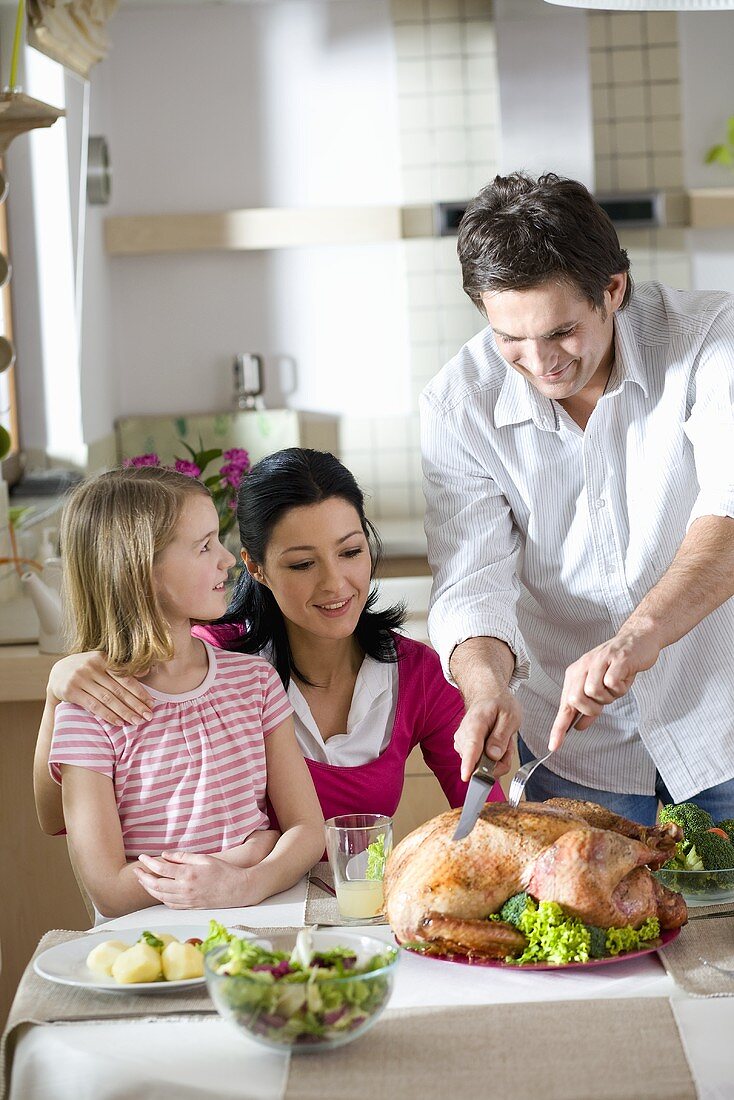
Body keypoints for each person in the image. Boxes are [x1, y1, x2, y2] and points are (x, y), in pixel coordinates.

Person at [421, 170, 734, 826]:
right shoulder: (459, 406)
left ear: (612, 290)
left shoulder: (713, 342)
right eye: (511, 339)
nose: (540, 363)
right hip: (575, 751)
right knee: (593, 921)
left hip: (719, 726)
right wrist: (485, 690)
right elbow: (471, 583)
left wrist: (638, 636)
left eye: (561, 332)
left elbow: (729, 513)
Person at [35, 449, 503, 833]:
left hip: (359, 915)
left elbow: (488, 816)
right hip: (239, 919)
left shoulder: (418, 673)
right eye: (302, 564)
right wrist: (59, 694)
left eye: (351, 551)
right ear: (255, 567)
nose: (336, 584)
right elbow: (61, 820)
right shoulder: (207, 660)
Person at [34, 466, 323, 918]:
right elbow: (109, 890)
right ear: (141, 571)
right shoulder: (91, 712)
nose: (228, 559)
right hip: (150, 946)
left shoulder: (255, 682)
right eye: (205, 545)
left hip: (264, 917)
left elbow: (307, 830)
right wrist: (240, 859)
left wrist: (247, 884)